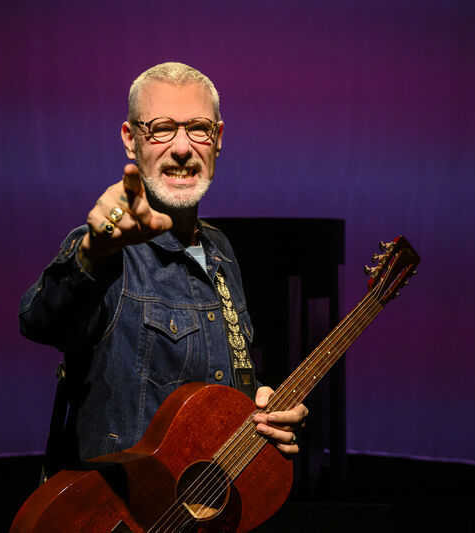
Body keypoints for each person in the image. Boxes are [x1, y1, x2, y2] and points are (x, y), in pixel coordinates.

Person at [19, 62, 307, 475]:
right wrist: (93, 252)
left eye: (199, 128)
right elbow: (40, 321)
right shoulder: (106, 248)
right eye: (162, 128)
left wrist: (265, 410)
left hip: (204, 501)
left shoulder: (222, 251)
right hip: (123, 506)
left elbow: (218, 384)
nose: (182, 148)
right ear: (131, 140)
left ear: (218, 140)